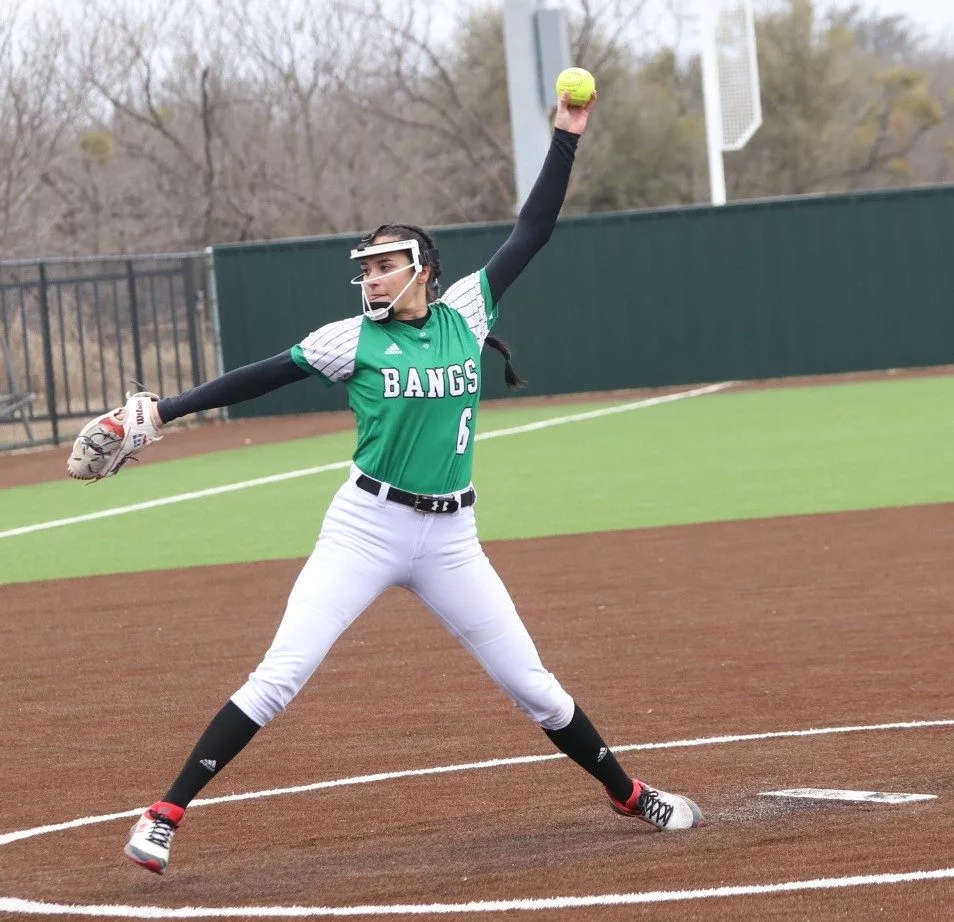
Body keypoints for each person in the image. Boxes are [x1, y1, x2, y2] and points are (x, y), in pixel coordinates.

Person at [121, 89, 703, 876]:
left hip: (452, 538)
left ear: (422, 269)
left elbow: (533, 230)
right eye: (365, 268)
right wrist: (165, 410)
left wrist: (567, 135)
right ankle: (163, 816)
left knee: (534, 687)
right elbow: (261, 376)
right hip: (366, 528)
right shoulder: (351, 339)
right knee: (282, 673)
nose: (370, 278)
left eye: (384, 265)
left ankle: (629, 794)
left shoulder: (466, 310)